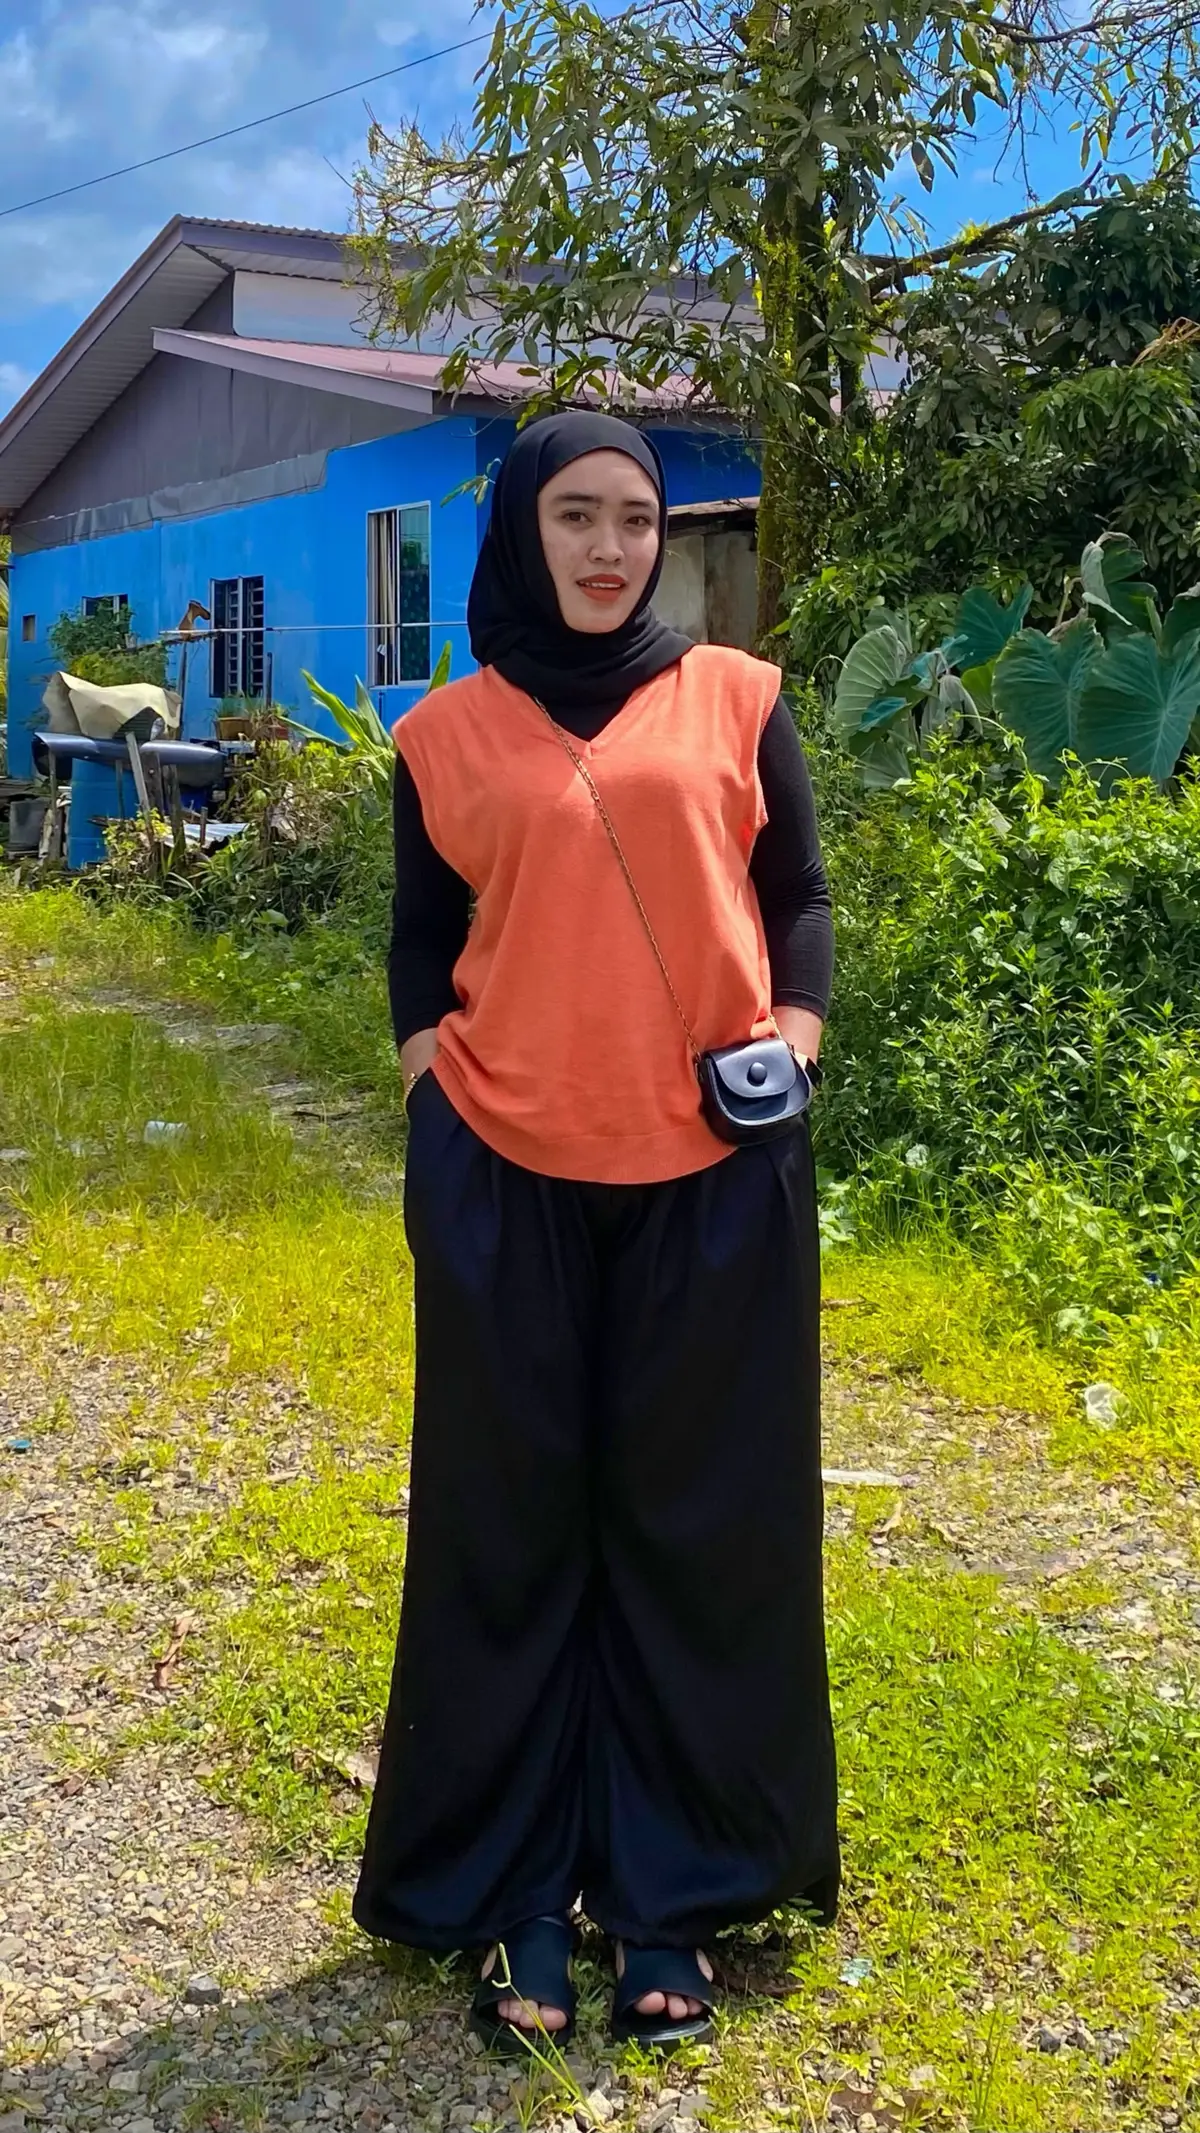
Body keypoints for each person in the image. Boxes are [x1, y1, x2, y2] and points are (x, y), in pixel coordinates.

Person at [352, 410, 840, 2054]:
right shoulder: (445, 734)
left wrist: (795, 1042)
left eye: (636, 517)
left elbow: (799, 899)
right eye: (576, 516)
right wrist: (432, 1085)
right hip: (505, 1172)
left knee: (700, 1530)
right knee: (506, 1533)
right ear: (521, 530)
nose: (612, 546)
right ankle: (511, 1896)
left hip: (714, 1169)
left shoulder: (736, 698)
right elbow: (421, 942)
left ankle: (670, 1894)